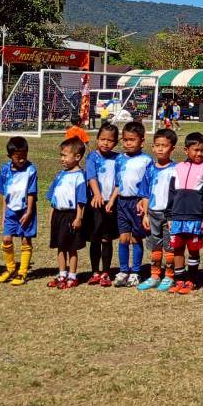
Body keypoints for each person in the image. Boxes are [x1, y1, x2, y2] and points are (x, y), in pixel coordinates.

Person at [165, 131, 203, 293]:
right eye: (196, 150)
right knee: (178, 249)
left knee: (193, 249)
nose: (199, 154)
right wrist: (169, 215)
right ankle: (179, 280)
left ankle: (191, 280)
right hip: (177, 217)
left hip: (196, 218)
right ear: (186, 150)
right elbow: (171, 192)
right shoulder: (178, 167)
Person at [110, 121, 152, 286]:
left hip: (137, 203)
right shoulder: (119, 159)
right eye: (125, 139)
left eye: (132, 140)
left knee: (136, 238)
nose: (128, 143)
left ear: (142, 141)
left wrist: (143, 201)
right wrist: (112, 200)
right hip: (122, 202)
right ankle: (123, 270)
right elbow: (118, 183)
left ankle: (135, 272)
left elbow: (149, 184)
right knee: (123, 238)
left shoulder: (146, 160)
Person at [0, 136, 38, 285]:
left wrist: (29, 212)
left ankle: (22, 272)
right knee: (6, 239)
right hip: (10, 210)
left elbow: (31, 193)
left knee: (25, 239)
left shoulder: (31, 170)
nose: (22, 159)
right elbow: (4, 193)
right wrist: (4, 213)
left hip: (25, 210)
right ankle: (10, 269)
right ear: (10, 156)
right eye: (18, 157)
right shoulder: (5, 170)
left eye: (24, 156)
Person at [137, 128, 178, 291]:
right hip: (152, 213)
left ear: (172, 148)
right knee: (155, 245)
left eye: (164, 145)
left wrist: (174, 216)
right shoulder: (150, 169)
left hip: (169, 215)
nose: (160, 149)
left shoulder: (176, 169)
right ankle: (154, 275)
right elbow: (145, 194)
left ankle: (169, 276)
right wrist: (145, 215)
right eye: (157, 145)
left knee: (169, 246)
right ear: (153, 147)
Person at [47, 137, 89, 289]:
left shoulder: (80, 177)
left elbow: (81, 201)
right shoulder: (60, 175)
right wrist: (51, 215)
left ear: (77, 157)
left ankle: (72, 275)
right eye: (61, 155)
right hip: (58, 215)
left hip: (71, 215)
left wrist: (79, 217)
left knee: (71, 247)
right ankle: (62, 274)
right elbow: (53, 197)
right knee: (60, 246)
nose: (62, 159)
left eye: (65, 155)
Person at [84, 122, 120, 285]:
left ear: (116, 142)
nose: (106, 143)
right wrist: (97, 194)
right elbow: (91, 176)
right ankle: (95, 271)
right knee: (95, 239)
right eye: (102, 139)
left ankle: (106, 272)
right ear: (97, 139)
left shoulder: (118, 159)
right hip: (95, 204)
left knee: (107, 239)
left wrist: (112, 199)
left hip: (111, 204)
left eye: (110, 140)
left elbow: (119, 181)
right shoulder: (92, 157)